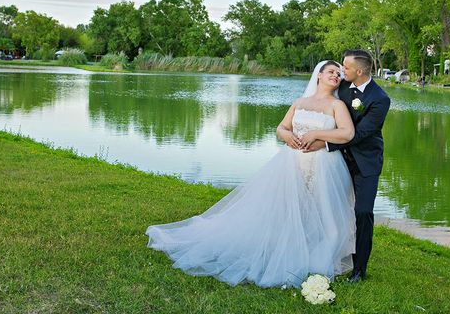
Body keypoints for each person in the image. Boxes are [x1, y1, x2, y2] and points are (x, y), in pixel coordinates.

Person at [146, 61, 356, 288]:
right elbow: (281, 128)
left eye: (339, 73)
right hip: (292, 162)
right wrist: (287, 136)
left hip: (323, 166)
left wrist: (316, 132)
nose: (336, 76)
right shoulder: (300, 102)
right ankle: (287, 250)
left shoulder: (337, 105)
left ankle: (319, 261)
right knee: (288, 211)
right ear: (319, 75)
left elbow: (347, 133)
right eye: (331, 72)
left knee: (326, 216)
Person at [306, 49, 390, 283]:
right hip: (337, 161)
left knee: (362, 212)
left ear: (360, 71)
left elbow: (360, 133)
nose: (341, 71)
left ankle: (359, 269)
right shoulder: (341, 85)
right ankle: (327, 252)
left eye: (346, 67)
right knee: (328, 206)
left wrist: (325, 144)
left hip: (366, 162)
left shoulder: (380, 99)